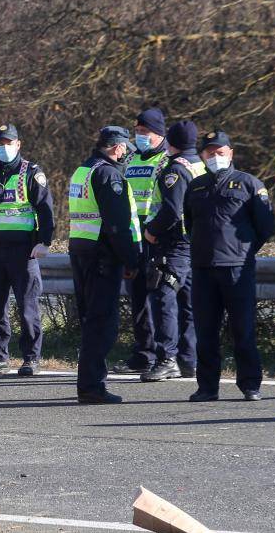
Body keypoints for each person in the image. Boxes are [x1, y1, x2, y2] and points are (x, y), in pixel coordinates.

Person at [185, 131, 274, 402]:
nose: (215, 157)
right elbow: (190, 224)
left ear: (231, 153)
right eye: (210, 152)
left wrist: (243, 251)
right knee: (205, 331)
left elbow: (266, 226)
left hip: (237, 268)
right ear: (202, 155)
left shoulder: (249, 184)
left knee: (242, 329)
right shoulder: (196, 186)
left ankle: (250, 384)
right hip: (202, 268)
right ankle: (207, 387)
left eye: (220, 151)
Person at [0, 124, 54, 376]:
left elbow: (45, 209)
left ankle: (30, 359)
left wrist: (44, 241)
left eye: (9, 142)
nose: (4, 147)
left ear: (18, 144)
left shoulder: (31, 172)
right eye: (0, 143)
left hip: (24, 250)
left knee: (27, 306)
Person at [68, 126, 141, 404]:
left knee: (91, 321)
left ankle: (88, 382)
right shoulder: (109, 174)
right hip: (101, 256)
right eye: (125, 150)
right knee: (102, 323)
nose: (126, 156)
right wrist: (131, 259)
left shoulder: (82, 171)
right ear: (118, 148)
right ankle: (92, 386)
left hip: (81, 251)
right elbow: (117, 225)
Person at [140, 120, 205, 381]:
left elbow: (170, 210)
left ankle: (167, 358)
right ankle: (189, 360)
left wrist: (151, 231)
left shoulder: (175, 170)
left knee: (163, 298)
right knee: (189, 303)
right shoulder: (199, 165)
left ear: (171, 141)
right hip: (194, 244)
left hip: (173, 244)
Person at [113, 107, 168, 375]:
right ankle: (143, 353)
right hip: (134, 236)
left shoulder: (167, 160)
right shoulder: (132, 158)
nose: (139, 136)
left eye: (145, 132)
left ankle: (163, 354)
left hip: (156, 237)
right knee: (137, 300)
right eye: (137, 131)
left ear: (159, 134)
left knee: (160, 299)